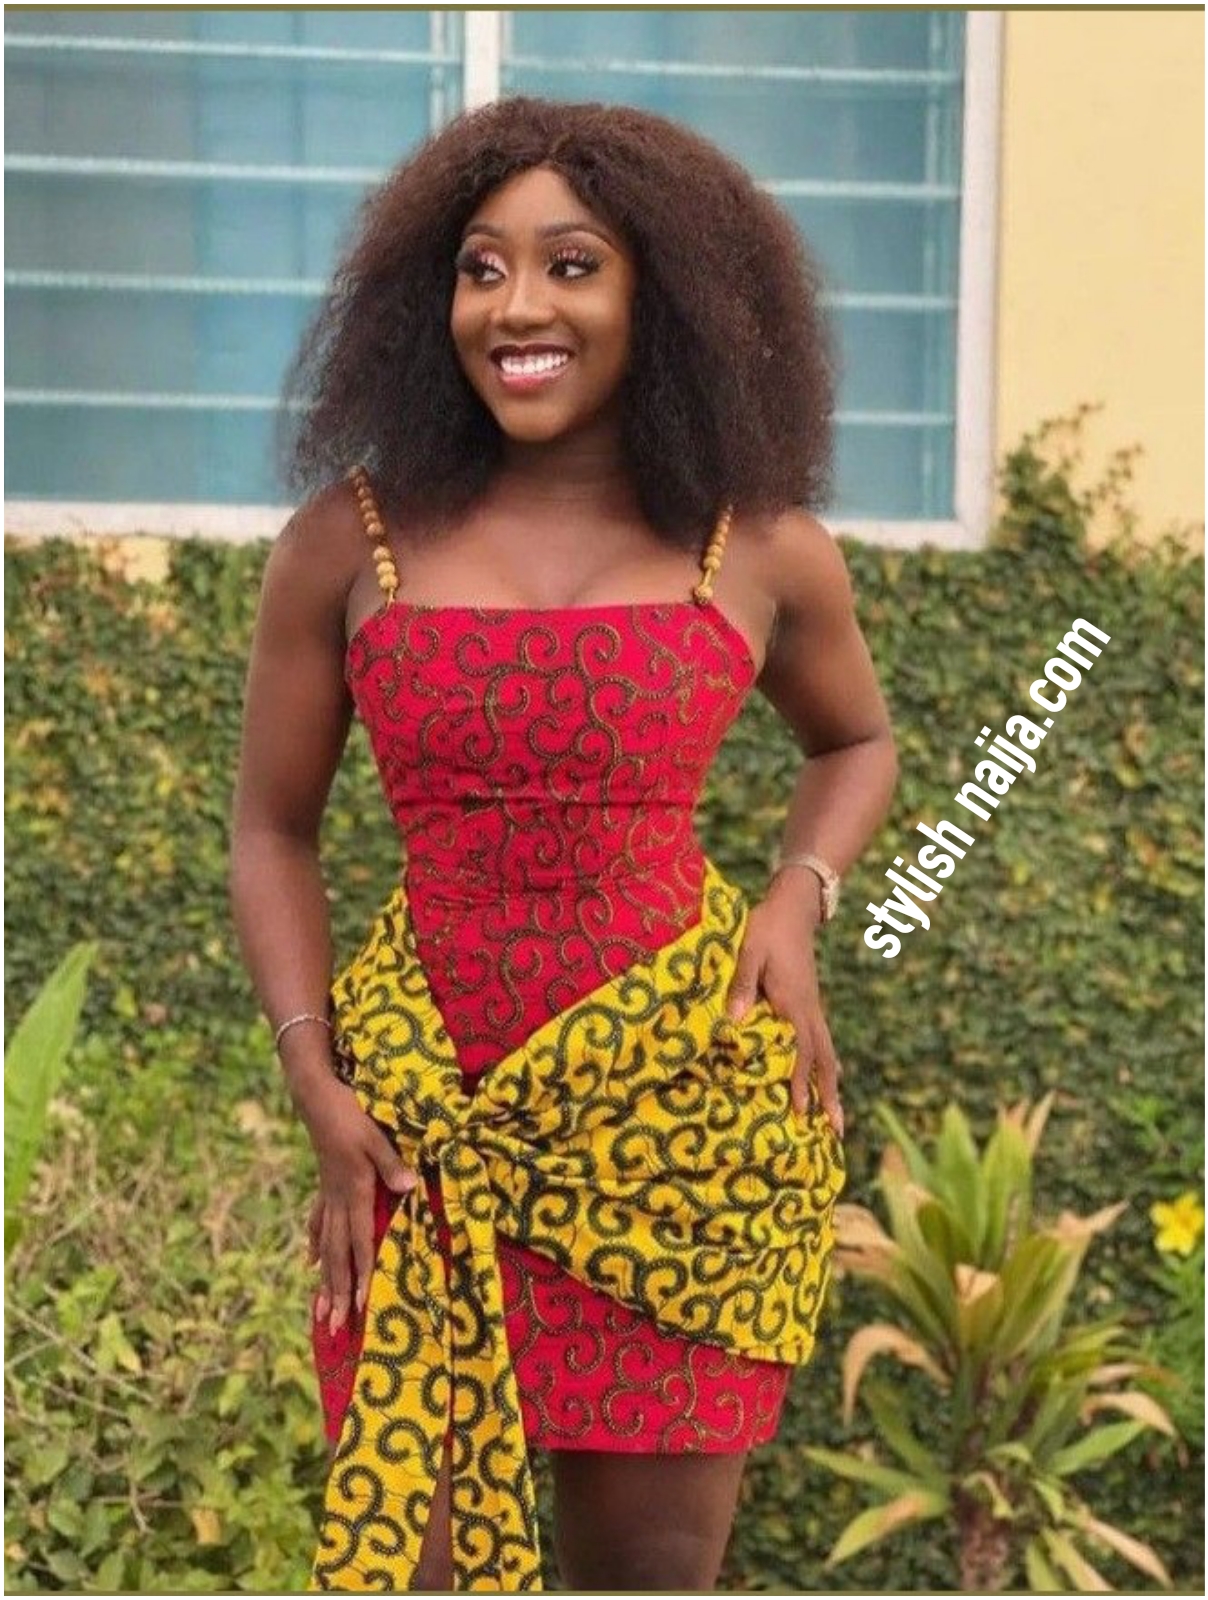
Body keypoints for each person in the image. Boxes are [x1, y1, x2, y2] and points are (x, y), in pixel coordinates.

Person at [230, 95, 897, 1594]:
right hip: (421, 1136)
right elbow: (272, 830)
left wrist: (797, 899)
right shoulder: (348, 539)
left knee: (649, 1577)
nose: (517, 306)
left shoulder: (760, 545)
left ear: (671, 297)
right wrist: (313, 1077)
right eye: (482, 268)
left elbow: (857, 745)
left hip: (686, 1130)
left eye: (571, 264)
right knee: (413, 1570)